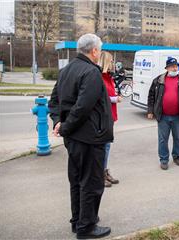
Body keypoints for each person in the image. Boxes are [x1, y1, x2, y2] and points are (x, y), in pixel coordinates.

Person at [48, 33, 113, 239]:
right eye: (99, 50)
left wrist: (58, 121)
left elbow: (55, 101)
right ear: (94, 51)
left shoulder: (66, 70)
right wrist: (64, 126)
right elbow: (82, 107)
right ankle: (86, 227)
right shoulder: (91, 72)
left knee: (77, 180)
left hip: (74, 138)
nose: (99, 53)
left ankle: (79, 220)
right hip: (89, 137)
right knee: (91, 183)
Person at [147, 57, 179, 170]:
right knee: (162, 139)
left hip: (178, 116)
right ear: (167, 68)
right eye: (172, 66)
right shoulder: (158, 80)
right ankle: (164, 160)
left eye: (176, 66)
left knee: (178, 138)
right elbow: (151, 96)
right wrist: (150, 110)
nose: (175, 68)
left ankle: (177, 157)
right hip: (163, 115)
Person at [98, 51, 121, 188]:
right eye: (111, 61)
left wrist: (115, 95)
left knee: (107, 146)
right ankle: (100, 174)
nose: (113, 64)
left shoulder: (109, 77)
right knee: (103, 147)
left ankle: (104, 171)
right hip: (103, 117)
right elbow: (99, 97)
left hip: (110, 116)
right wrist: (114, 99)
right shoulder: (99, 77)